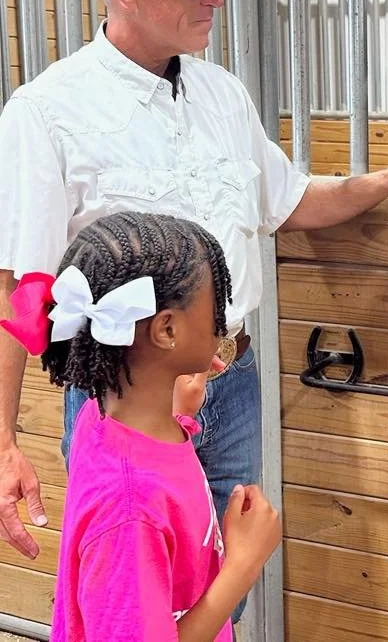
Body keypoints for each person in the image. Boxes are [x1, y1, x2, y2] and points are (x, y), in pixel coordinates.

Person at [0, 0, 388, 594]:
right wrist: (3, 441)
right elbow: (22, 288)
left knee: (226, 581)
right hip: (127, 396)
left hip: (232, 377)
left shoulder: (223, 93)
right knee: (140, 588)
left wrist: (384, 181)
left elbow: (286, 201)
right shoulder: (47, 111)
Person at [0, 211, 281, 640]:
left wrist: (181, 410)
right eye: (215, 305)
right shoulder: (129, 508)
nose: (223, 321)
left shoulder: (99, 418)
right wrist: (242, 566)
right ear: (167, 329)